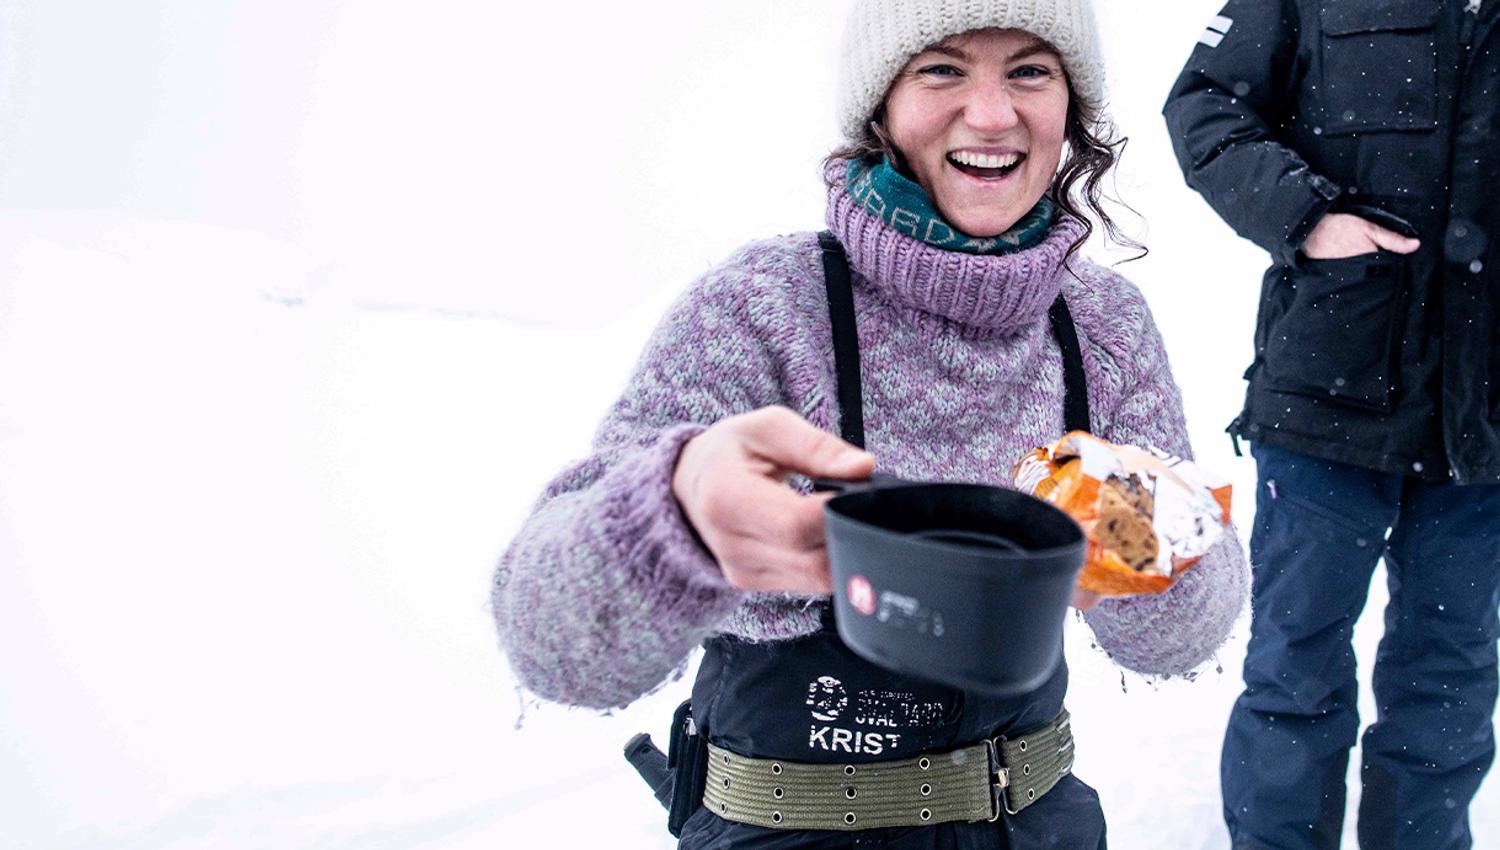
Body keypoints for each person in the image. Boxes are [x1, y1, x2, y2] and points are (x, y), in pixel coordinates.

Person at [494, 0, 1247, 846]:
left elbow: (1181, 641)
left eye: (1031, 70)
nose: (993, 114)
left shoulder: (1103, 324)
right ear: (880, 105)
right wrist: (673, 517)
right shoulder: (761, 309)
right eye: (942, 68)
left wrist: (1143, 542)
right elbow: (551, 645)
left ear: (1071, 107)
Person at [1163, 2, 1500, 849]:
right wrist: (1305, 217)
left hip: (1487, 419)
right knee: (1295, 668)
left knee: (1449, 679)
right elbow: (1204, 104)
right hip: (1326, 401)